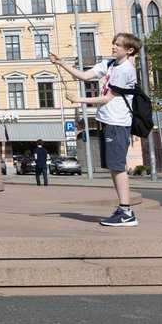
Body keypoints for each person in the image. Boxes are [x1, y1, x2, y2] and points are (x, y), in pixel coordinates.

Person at [52, 33, 142, 226]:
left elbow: (107, 98)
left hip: (118, 122)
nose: (113, 47)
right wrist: (62, 63)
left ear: (129, 50)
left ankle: (126, 212)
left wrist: (79, 100)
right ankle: (123, 208)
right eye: (114, 44)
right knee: (113, 166)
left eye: (118, 45)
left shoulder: (126, 70)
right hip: (107, 121)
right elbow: (85, 76)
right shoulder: (110, 63)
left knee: (118, 166)